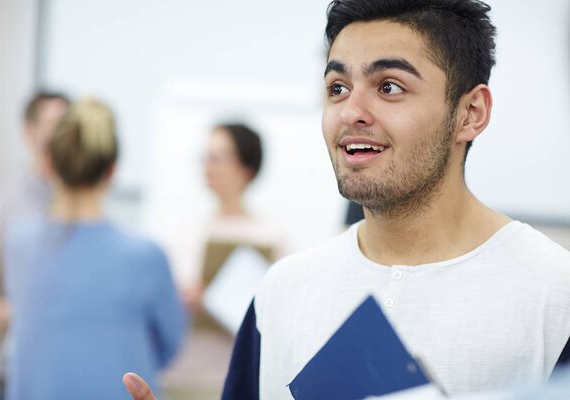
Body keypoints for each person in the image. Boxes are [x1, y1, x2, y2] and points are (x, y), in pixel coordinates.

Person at [124, 0, 570, 399]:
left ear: (470, 113)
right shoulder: (281, 293)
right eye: (337, 87)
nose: (351, 111)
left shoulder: (554, 295)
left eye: (389, 86)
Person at [3, 97, 187, 399]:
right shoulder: (145, 256)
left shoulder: (19, 244)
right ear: (113, 170)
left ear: (49, 163)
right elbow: (168, 349)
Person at [162, 123, 285, 399]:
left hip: (242, 375)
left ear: (246, 167)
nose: (208, 166)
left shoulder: (273, 238)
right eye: (206, 157)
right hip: (186, 373)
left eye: (218, 157)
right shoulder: (184, 232)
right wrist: (183, 298)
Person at [0, 91, 69, 400]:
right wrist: (44, 312)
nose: (65, 136)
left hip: (71, 381)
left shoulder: (91, 211)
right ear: (29, 132)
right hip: (9, 383)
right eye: (56, 125)